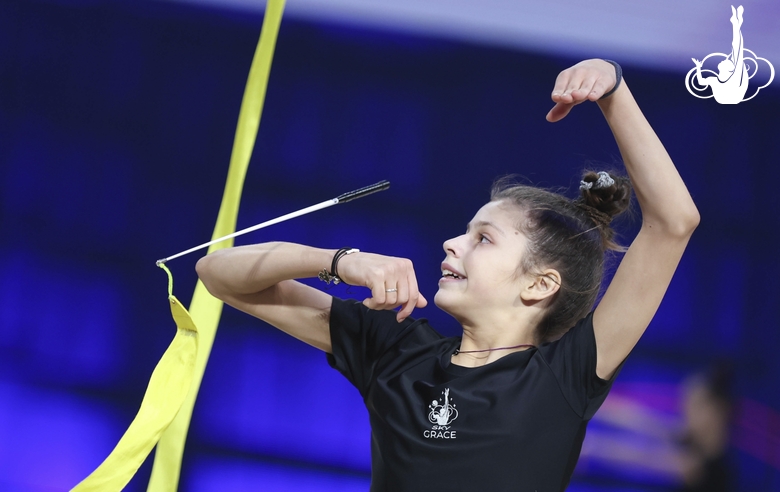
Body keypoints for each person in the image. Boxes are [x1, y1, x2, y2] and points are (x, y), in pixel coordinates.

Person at [196, 58, 700, 491]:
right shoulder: (393, 348)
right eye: (465, 232)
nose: (452, 244)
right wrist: (337, 260)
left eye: (483, 238)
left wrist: (612, 88)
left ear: (540, 284)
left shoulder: (566, 374)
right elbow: (215, 273)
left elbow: (674, 223)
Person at [692, 5, 748, 104]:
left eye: (727, 61)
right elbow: (701, 82)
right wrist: (698, 67)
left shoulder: (733, 78)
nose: (725, 59)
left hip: (732, 98)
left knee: (737, 50)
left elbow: (737, 49)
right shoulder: (715, 80)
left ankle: (736, 23)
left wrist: (736, 26)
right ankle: (736, 23)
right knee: (737, 50)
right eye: (727, 61)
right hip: (727, 99)